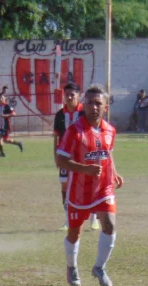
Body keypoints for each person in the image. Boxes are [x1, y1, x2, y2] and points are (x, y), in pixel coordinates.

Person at [56, 84, 124, 286]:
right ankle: (71, 266)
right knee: (74, 233)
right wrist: (84, 170)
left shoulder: (110, 131)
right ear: (83, 105)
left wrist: (114, 171)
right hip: (78, 191)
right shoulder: (74, 131)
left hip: (103, 188)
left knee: (109, 224)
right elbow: (61, 160)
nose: (94, 107)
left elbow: (107, 153)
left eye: (98, 103)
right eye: (90, 103)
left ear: (105, 107)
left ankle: (99, 267)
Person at [53, 83, 99, 231]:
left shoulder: (84, 112)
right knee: (65, 187)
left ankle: (94, 219)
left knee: (89, 185)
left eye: (72, 94)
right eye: (67, 94)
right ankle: (67, 220)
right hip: (65, 157)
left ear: (78, 96)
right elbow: (56, 138)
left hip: (84, 156)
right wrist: (56, 157)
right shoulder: (60, 114)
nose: (69, 97)